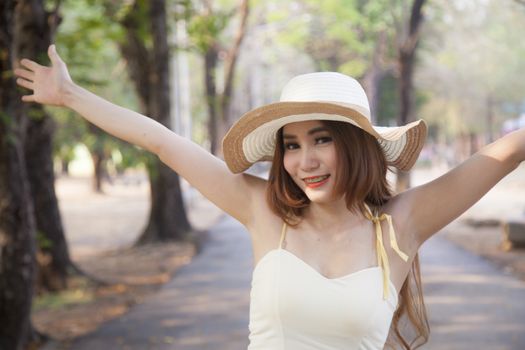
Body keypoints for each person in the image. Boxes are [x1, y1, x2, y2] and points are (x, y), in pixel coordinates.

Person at [14, 45, 524, 350]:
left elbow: (501, 156)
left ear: (357, 146)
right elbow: (163, 142)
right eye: (292, 144)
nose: (305, 161)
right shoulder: (265, 213)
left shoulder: (398, 226)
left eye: (323, 139)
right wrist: (71, 96)